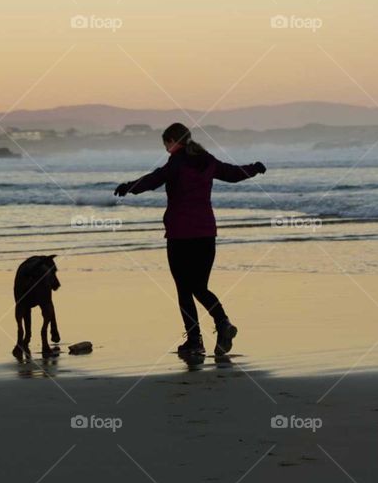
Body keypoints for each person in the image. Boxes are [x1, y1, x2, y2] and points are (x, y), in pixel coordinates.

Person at [114, 123, 266, 356]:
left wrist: (128, 187)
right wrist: (254, 168)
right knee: (199, 286)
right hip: (206, 234)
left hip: (180, 235)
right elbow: (232, 174)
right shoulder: (206, 159)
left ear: (174, 140)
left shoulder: (176, 162)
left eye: (166, 144)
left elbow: (154, 179)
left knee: (185, 289)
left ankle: (195, 341)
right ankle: (222, 323)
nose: (166, 150)